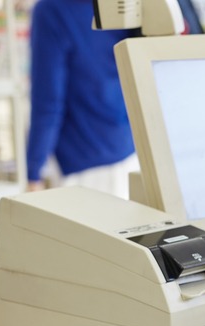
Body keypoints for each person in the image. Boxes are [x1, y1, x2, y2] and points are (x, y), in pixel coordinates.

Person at [25, 0, 138, 198]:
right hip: (130, 151)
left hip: (84, 162)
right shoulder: (120, 4)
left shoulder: (52, 10)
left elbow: (48, 101)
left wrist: (33, 172)